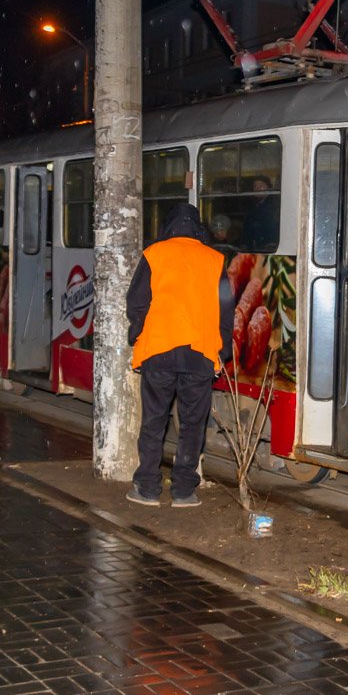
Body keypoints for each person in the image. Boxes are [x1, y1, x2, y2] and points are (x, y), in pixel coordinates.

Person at [126, 203, 235, 507]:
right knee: (192, 423)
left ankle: (147, 487)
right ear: (198, 227)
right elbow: (226, 310)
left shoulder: (154, 254)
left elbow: (136, 302)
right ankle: (184, 490)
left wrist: (136, 333)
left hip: (159, 350)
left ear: (169, 226)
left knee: (154, 421)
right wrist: (221, 351)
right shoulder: (214, 259)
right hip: (199, 354)